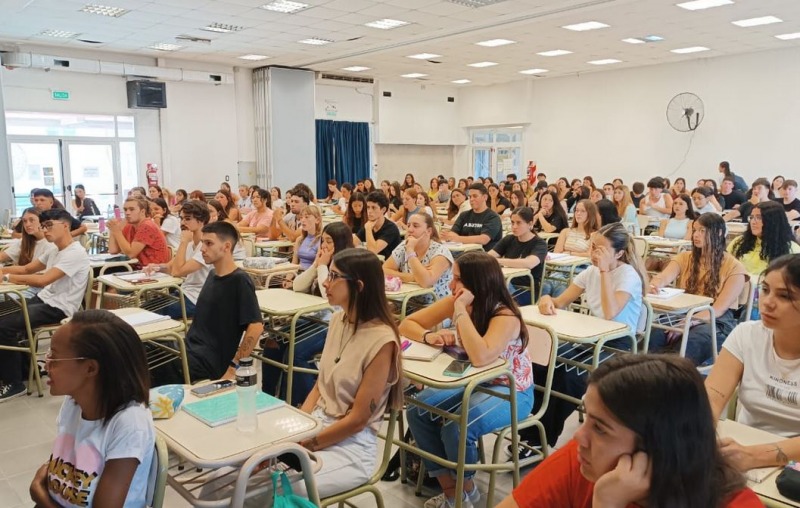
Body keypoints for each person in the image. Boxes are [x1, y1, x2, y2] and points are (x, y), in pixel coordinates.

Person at [500, 354, 762, 508]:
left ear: (658, 446)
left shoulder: (736, 503)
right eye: (587, 418)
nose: (579, 436)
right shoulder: (581, 461)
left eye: (600, 428)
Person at [401, 251, 534, 508]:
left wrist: (460, 310)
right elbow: (408, 323)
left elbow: (480, 355)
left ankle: (466, 489)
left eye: (457, 279)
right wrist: (429, 336)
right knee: (418, 410)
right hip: (475, 382)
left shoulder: (505, 316)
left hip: (511, 391)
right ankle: (454, 493)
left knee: (458, 427)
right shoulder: (458, 300)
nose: (451, 285)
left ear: (478, 283)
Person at [282, 248, 402, 498]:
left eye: (334, 276)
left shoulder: (382, 341)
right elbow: (319, 386)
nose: (325, 282)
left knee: (277, 487)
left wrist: (304, 444)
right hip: (318, 425)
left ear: (358, 286)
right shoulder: (338, 320)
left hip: (351, 447)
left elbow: (358, 420)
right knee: (251, 468)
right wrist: (298, 431)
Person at [525, 223, 647, 453]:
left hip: (618, 345)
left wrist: (603, 272)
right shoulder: (590, 271)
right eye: (593, 247)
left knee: (568, 377)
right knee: (543, 363)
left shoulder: (627, 275)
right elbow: (561, 301)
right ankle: (530, 428)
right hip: (591, 338)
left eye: (601, 249)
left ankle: (538, 439)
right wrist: (547, 300)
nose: (594, 253)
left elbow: (611, 313)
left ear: (619, 253)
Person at [29, 310, 155, 506]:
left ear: (90, 368)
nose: (46, 365)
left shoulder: (129, 423)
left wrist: (40, 494)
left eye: (54, 357)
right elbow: (64, 467)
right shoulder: (74, 403)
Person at [705, 254, 800, 471]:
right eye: (765, 290)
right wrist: (703, 435)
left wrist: (754, 456)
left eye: (785, 296)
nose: (767, 302)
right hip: (743, 449)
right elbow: (711, 397)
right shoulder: (746, 335)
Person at [155, 221, 263, 384]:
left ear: (226, 247)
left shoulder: (239, 280)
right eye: (203, 243)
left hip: (209, 362)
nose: (202, 249)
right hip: (190, 349)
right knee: (144, 348)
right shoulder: (212, 274)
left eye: (209, 243)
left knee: (148, 365)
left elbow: (256, 327)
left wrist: (234, 366)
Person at [0, 209, 90, 401]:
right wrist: (3, 270)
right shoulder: (54, 249)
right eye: (44, 226)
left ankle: (13, 383)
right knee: (3, 313)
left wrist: (7, 277)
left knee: (4, 326)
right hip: (43, 299)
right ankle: (25, 371)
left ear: (65, 226)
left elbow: (43, 280)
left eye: (49, 225)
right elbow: (27, 268)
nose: (45, 230)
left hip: (58, 308)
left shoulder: (75, 253)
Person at [262, 222, 355, 404]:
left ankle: (304, 404)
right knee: (272, 340)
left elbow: (328, 294)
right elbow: (297, 286)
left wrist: (322, 267)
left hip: (336, 322)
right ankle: (268, 396)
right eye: (323, 241)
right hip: (314, 317)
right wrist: (315, 265)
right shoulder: (322, 261)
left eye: (330, 241)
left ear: (341, 243)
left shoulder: (346, 265)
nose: (325, 246)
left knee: (295, 351)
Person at [649, 213, 748, 365]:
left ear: (719, 233)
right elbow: (663, 277)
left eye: (702, 231)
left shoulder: (734, 267)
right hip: (683, 312)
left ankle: (671, 378)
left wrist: (688, 322)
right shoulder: (684, 257)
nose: (696, 235)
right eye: (695, 230)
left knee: (690, 342)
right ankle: (651, 376)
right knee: (655, 335)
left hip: (715, 319)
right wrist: (655, 285)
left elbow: (719, 309)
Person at [145, 201, 213, 320]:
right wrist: (157, 267)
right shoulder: (190, 243)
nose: (183, 223)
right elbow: (170, 267)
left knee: (147, 315)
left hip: (198, 300)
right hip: (183, 293)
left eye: (187, 219)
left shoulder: (206, 246)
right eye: (181, 218)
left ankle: (165, 338)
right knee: (143, 308)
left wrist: (183, 242)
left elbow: (177, 272)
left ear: (201, 220)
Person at [383, 212, 454, 302]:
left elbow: (425, 282)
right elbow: (383, 270)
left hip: (434, 306)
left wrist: (410, 251)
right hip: (407, 302)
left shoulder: (440, 252)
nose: (410, 230)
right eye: (408, 225)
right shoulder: (403, 246)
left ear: (429, 231)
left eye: (415, 226)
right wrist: (412, 277)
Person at [489, 207, 547, 304]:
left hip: (527, 289)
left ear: (530, 224)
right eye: (512, 222)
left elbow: (529, 263)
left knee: (499, 305)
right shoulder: (509, 239)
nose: (514, 226)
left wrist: (499, 261)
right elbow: (489, 256)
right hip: (506, 284)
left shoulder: (540, 244)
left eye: (519, 223)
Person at [727, 200, 800, 276]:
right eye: (751, 217)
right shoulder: (739, 242)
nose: (753, 222)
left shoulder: (792, 250)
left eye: (759, 218)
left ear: (773, 221)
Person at [0, 208, 57, 293]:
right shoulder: (25, 241)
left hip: (37, 290)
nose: (27, 224)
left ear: (42, 222)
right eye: (25, 221)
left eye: (32, 220)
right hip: (23, 285)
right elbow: (2, 256)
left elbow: (39, 277)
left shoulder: (51, 244)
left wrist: (5, 275)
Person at [107, 197, 170, 269]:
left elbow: (130, 254)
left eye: (132, 209)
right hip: (135, 267)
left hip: (152, 271)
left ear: (142, 212)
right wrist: (113, 229)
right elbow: (113, 250)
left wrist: (117, 231)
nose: (127, 213)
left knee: (101, 272)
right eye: (125, 209)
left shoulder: (147, 226)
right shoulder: (130, 226)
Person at [441, 183, 503, 251]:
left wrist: (456, 238)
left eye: (475, 196)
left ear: (485, 197)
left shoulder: (493, 217)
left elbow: (483, 239)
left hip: (483, 255)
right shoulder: (464, 215)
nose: (471, 199)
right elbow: (453, 232)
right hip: (462, 251)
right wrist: (450, 236)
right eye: (470, 197)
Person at [356, 191, 401, 260]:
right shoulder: (370, 224)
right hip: (374, 263)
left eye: (374, 208)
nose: (369, 211)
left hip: (388, 267)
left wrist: (368, 229)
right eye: (368, 207)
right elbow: (353, 242)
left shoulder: (391, 228)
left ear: (383, 210)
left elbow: (372, 251)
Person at [291, 205, 322, 271]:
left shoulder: (321, 240)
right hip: (298, 274)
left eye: (307, 217)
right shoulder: (299, 240)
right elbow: (294, 264)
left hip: (310, 276)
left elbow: (315, 267)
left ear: (317, 220)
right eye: (301, 217)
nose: (302, 220)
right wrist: (287, 280)